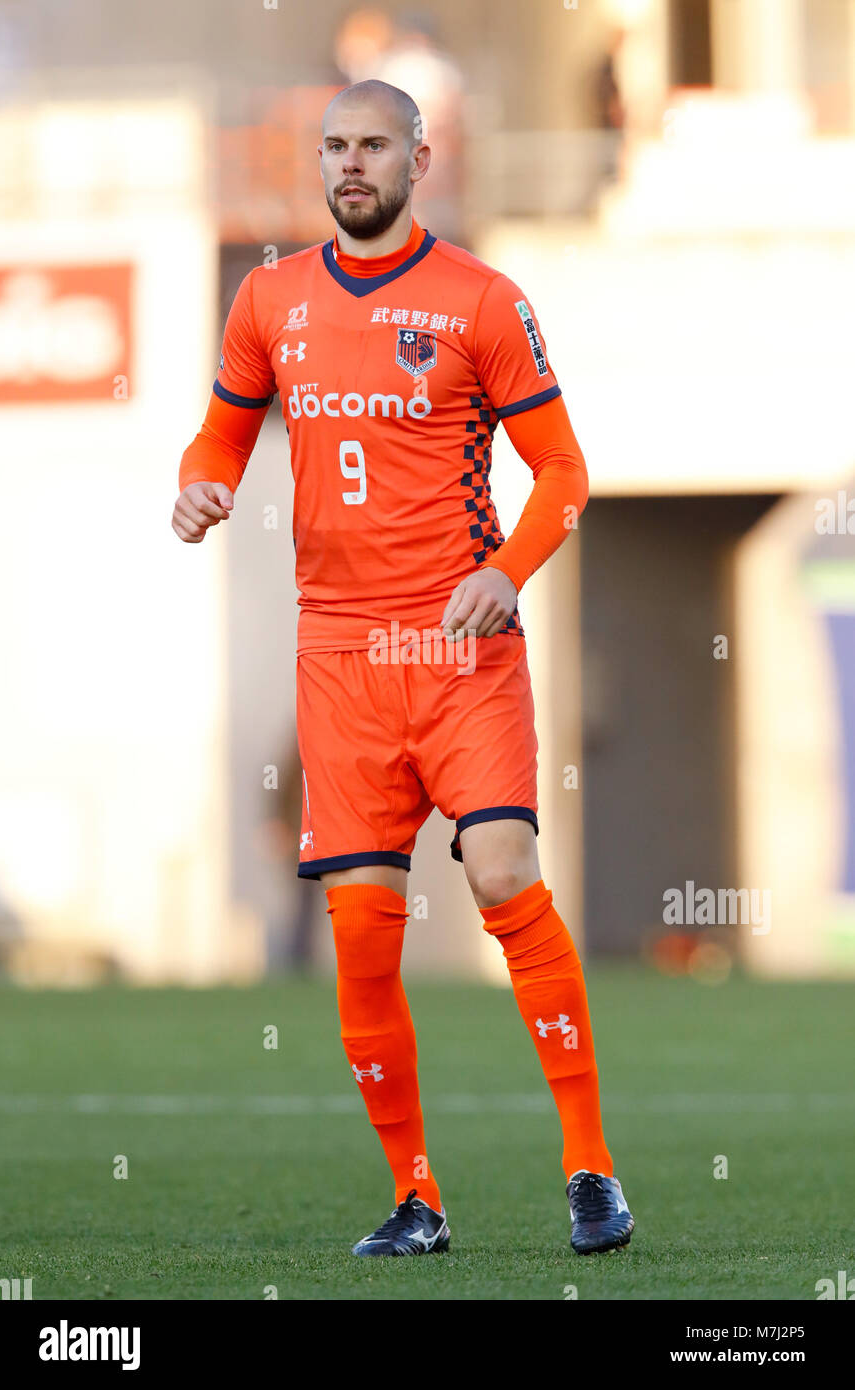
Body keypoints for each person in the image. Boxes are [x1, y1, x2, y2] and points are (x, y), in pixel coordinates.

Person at [172, 79, 634, 1258]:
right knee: (362, 932)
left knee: (498, 870)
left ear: (417, 159)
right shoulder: (267, 299)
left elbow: (564, 475)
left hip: (456, 648)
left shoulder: (482, 298)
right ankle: (416, 1198)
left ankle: (589, 1168)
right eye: (333, 146)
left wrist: (506, 573)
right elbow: (222, 429)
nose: (350, 163)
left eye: (373, 143)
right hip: (336, 654)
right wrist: (201, 483)